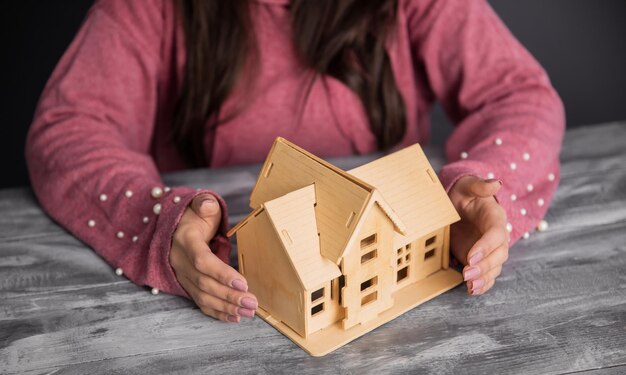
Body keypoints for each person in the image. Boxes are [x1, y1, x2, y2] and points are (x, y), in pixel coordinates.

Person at [25, 0, 565, 323]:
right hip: (225, 308)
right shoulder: (149, 10)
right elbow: (68, 131)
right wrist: (164, 224)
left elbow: (520, 96)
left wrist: (475, 190)